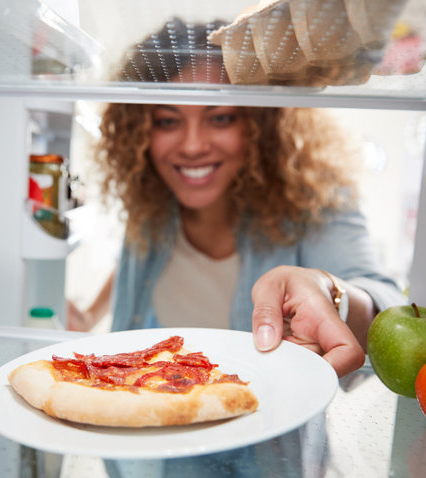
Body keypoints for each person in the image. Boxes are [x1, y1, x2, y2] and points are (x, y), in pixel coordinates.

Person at [67, 18, 404, 380]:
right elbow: (132, 258)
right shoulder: (155, 202)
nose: (193, 145)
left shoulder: (316, 201)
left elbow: (388, 306)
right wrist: (89, 316)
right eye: (167, 121)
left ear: (263, 124)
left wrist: (329, 291)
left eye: (221, 117)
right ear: (141, 132)